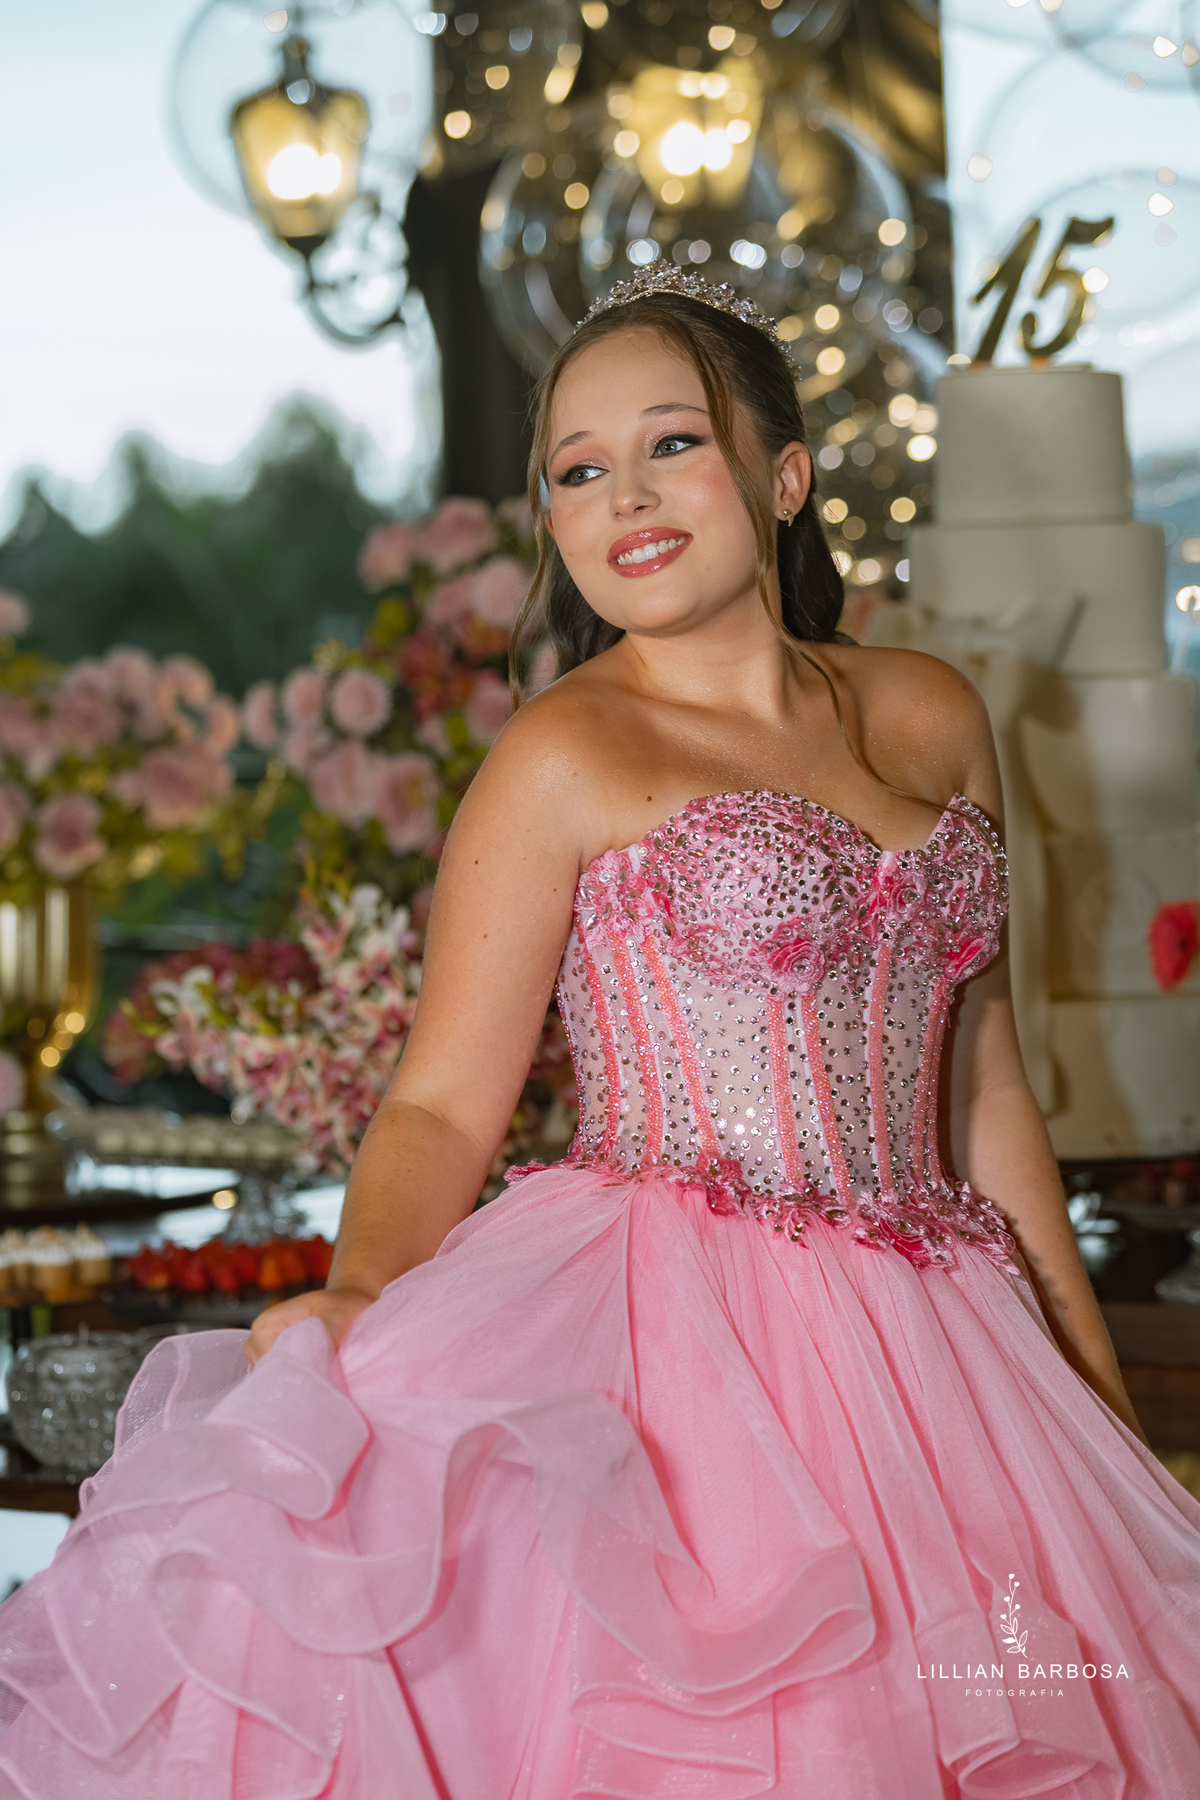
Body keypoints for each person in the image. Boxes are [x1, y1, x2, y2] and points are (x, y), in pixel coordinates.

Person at [2, 264, 1199, 1800]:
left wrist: (1091, 1403)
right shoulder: (562, 752)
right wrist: (365, 1291)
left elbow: (985, 1093)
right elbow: (442, 1104)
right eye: (577, 470)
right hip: (669, 1348)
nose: (622, 494)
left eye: (671, 444)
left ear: (784, 474)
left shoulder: (935, 713)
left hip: (942, 1355)